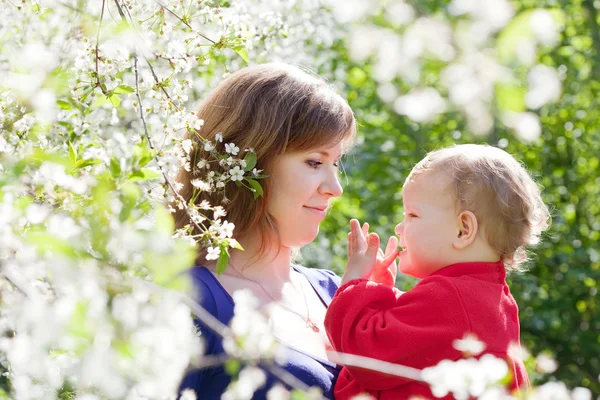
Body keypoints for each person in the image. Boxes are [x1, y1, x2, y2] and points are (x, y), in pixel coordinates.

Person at [174, 63, 388, 399]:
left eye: (336, 163)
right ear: (251, 161)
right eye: (314, 162)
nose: (335, 188)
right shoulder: (190, 300)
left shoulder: (336, 290)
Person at [324, 144, 551, 399]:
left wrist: (354, 281)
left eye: (412, 214)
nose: (399, 228)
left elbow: (363, 353)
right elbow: (414, 351)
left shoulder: (449, 297)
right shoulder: (488, 300)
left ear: (463, 230)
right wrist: (380, 293)